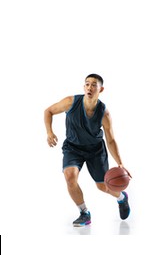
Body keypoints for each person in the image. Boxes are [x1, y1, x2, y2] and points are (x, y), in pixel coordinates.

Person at [44, 73, 131, 226]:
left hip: (95, 150)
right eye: (87, 84)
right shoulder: (71, 102)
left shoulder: (104, 113)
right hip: (73, 147)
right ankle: (84, 213)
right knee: (70, 177)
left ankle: (121, 198)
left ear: (101, 89)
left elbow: (110, 140)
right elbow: (48, 111)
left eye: (94, 85)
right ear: (84, 87)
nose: (89, 87)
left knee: (103, 186)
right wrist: (50, 132)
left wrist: (120, 163)